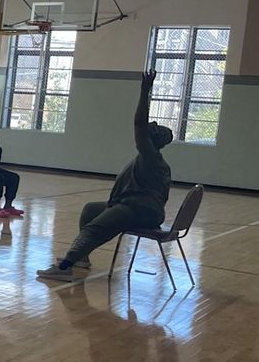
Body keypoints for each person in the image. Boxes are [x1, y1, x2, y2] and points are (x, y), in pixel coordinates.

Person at [38, 70, 173, 282]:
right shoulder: (155, 160)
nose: (145, 130)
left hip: (138, 210)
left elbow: (138, 123)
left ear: (153, 139)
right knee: (91, 209)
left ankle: (64, 267)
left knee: (94, 229)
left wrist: (145, 91)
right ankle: (81, 256)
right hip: (144, 209)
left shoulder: (150, 156)